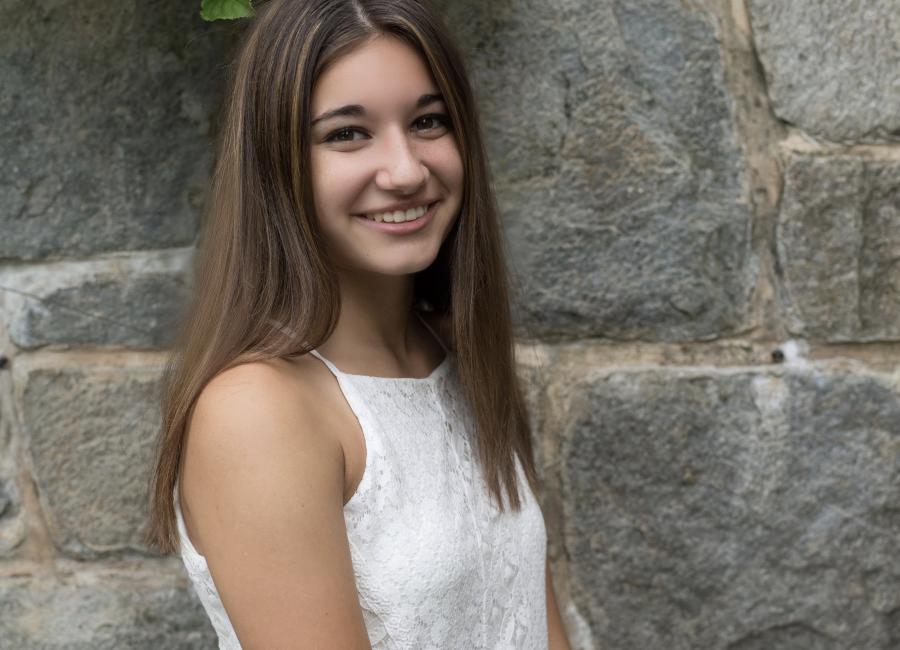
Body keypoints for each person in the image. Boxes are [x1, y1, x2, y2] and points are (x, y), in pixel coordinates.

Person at [145, 0, 571, 648]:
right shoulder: (259, 411)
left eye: (428, 121)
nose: (405, 171)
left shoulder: (457, 351)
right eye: (348, 133)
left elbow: (535, 624)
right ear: (277, 163)